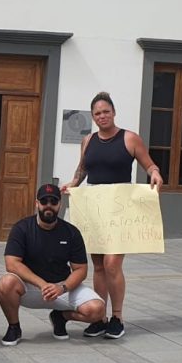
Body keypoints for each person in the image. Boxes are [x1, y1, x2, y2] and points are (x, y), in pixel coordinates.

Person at [62, 92, 163, 339]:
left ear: (114, 112)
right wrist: (72, 184)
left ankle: (117, 317)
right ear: (93, 117)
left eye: (106, 111)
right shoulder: (88, 141)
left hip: (120, 210)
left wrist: (155, 173)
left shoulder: (130, 138)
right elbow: (82, 170)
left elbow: (149, 165)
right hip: (95, 209)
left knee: (112, 264)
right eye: (97, 113)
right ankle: (100, 317)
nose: (102, 116)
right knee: (98, 265)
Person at [0, 184, 106, 345]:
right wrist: (42, 284)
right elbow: (11, 263)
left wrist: (62, 287)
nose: (48, 205)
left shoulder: (71, 232)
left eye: (53, 201)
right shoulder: (22, 228)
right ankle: (14, 327)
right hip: (30, 288)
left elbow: (81, 269)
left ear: (60, 204)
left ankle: (60, 317)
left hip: (61, 289)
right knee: (6, 283)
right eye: (44, 201)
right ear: (37, 203)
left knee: (97, 310)